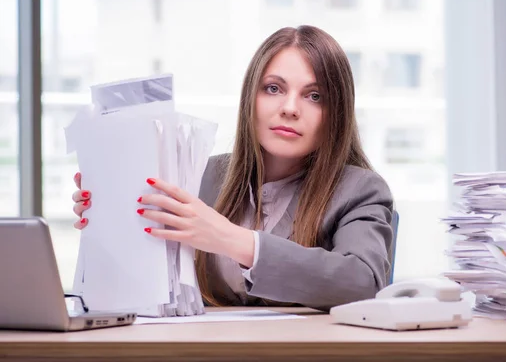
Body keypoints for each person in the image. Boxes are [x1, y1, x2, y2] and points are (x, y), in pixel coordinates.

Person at [72, 25, 394, 311]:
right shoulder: (198, 175)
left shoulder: (359, 190)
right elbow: (151, 272)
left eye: (314, 96)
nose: (290, 108)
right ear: (249, 98)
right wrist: (111, 212)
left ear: (336, 113)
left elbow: (363, 282)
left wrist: (232, 239)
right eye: (273, 88)